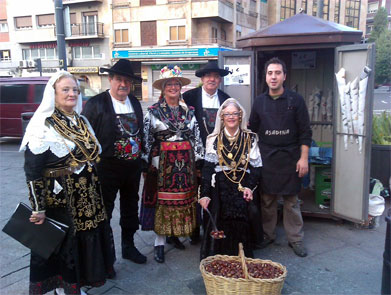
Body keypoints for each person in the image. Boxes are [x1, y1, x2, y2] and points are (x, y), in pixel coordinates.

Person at [20, 71, 115, 295]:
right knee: (65, 244)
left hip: (88, 196)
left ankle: (77, 284)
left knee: (84, 241)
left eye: (75, 89)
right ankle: (63, 289)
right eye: (65, 89)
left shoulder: (81, 121)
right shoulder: (43, 126)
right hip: (62, 201)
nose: (72, 93)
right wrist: (38, 208)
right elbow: (32, 171)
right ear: (53, 93)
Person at [81, 59, 146, 264]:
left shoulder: (134, 102)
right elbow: (85, 139)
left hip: (131, 167)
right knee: (104, 211)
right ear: (110, 79)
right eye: (119, 79)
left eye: (127, 80)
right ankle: (105, 255)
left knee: (130, 207)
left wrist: (142, 159)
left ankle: (128, 246)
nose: (123, 84)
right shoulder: (96, 103)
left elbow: (140, 132)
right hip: (106, 168)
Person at [139, 65, 204, 263]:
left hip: (186, 163)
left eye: (176, 84)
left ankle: (174, 235)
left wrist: (199, 160)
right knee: (163, 202)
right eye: (169, 84)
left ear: (180, 87)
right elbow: (147, 138)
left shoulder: (189, 111)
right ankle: (159, 243)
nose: (173, 87)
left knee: (183, 200)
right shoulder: (153, 112)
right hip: (162, 163)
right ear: (163, 88)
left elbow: (196, 137)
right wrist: (146, 163)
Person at [249, 57, 312, 257]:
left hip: (291, 156)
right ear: (266, 77)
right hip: (266, 157)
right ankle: (268, 235)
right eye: (270, 73)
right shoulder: (259, 101)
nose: (273, 77)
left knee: (292, 201)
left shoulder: (296, 100)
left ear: (284, 76)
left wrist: (304, 159)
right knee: (267, 200)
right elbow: (252, 131)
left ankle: (296, 239)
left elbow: (305, 132)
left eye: (277, 73)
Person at [198, 98, 262, 259]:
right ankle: (221, 258)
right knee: (219, 218)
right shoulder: (213, 139)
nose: (231, 117)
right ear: (222, 117)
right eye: (227, 114)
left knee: (244, 217)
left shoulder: (250, 138)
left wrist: (249, 187)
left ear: (240, 116)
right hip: (220, 185)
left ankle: (241, 257)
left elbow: (256, 167)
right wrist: (205, 194)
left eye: (235, 113)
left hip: (242, 183)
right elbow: (207, 168)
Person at [182, 60, 231, 244]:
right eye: (208, 75)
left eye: (215, 76)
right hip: (194, 155)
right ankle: (194, 231)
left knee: (213, 191)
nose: (212, 79)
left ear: (219, 80)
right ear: (202, 78)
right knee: (194, 193)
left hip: (218, 155)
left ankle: (211, 228)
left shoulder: (226, 99)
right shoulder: (189, 97)